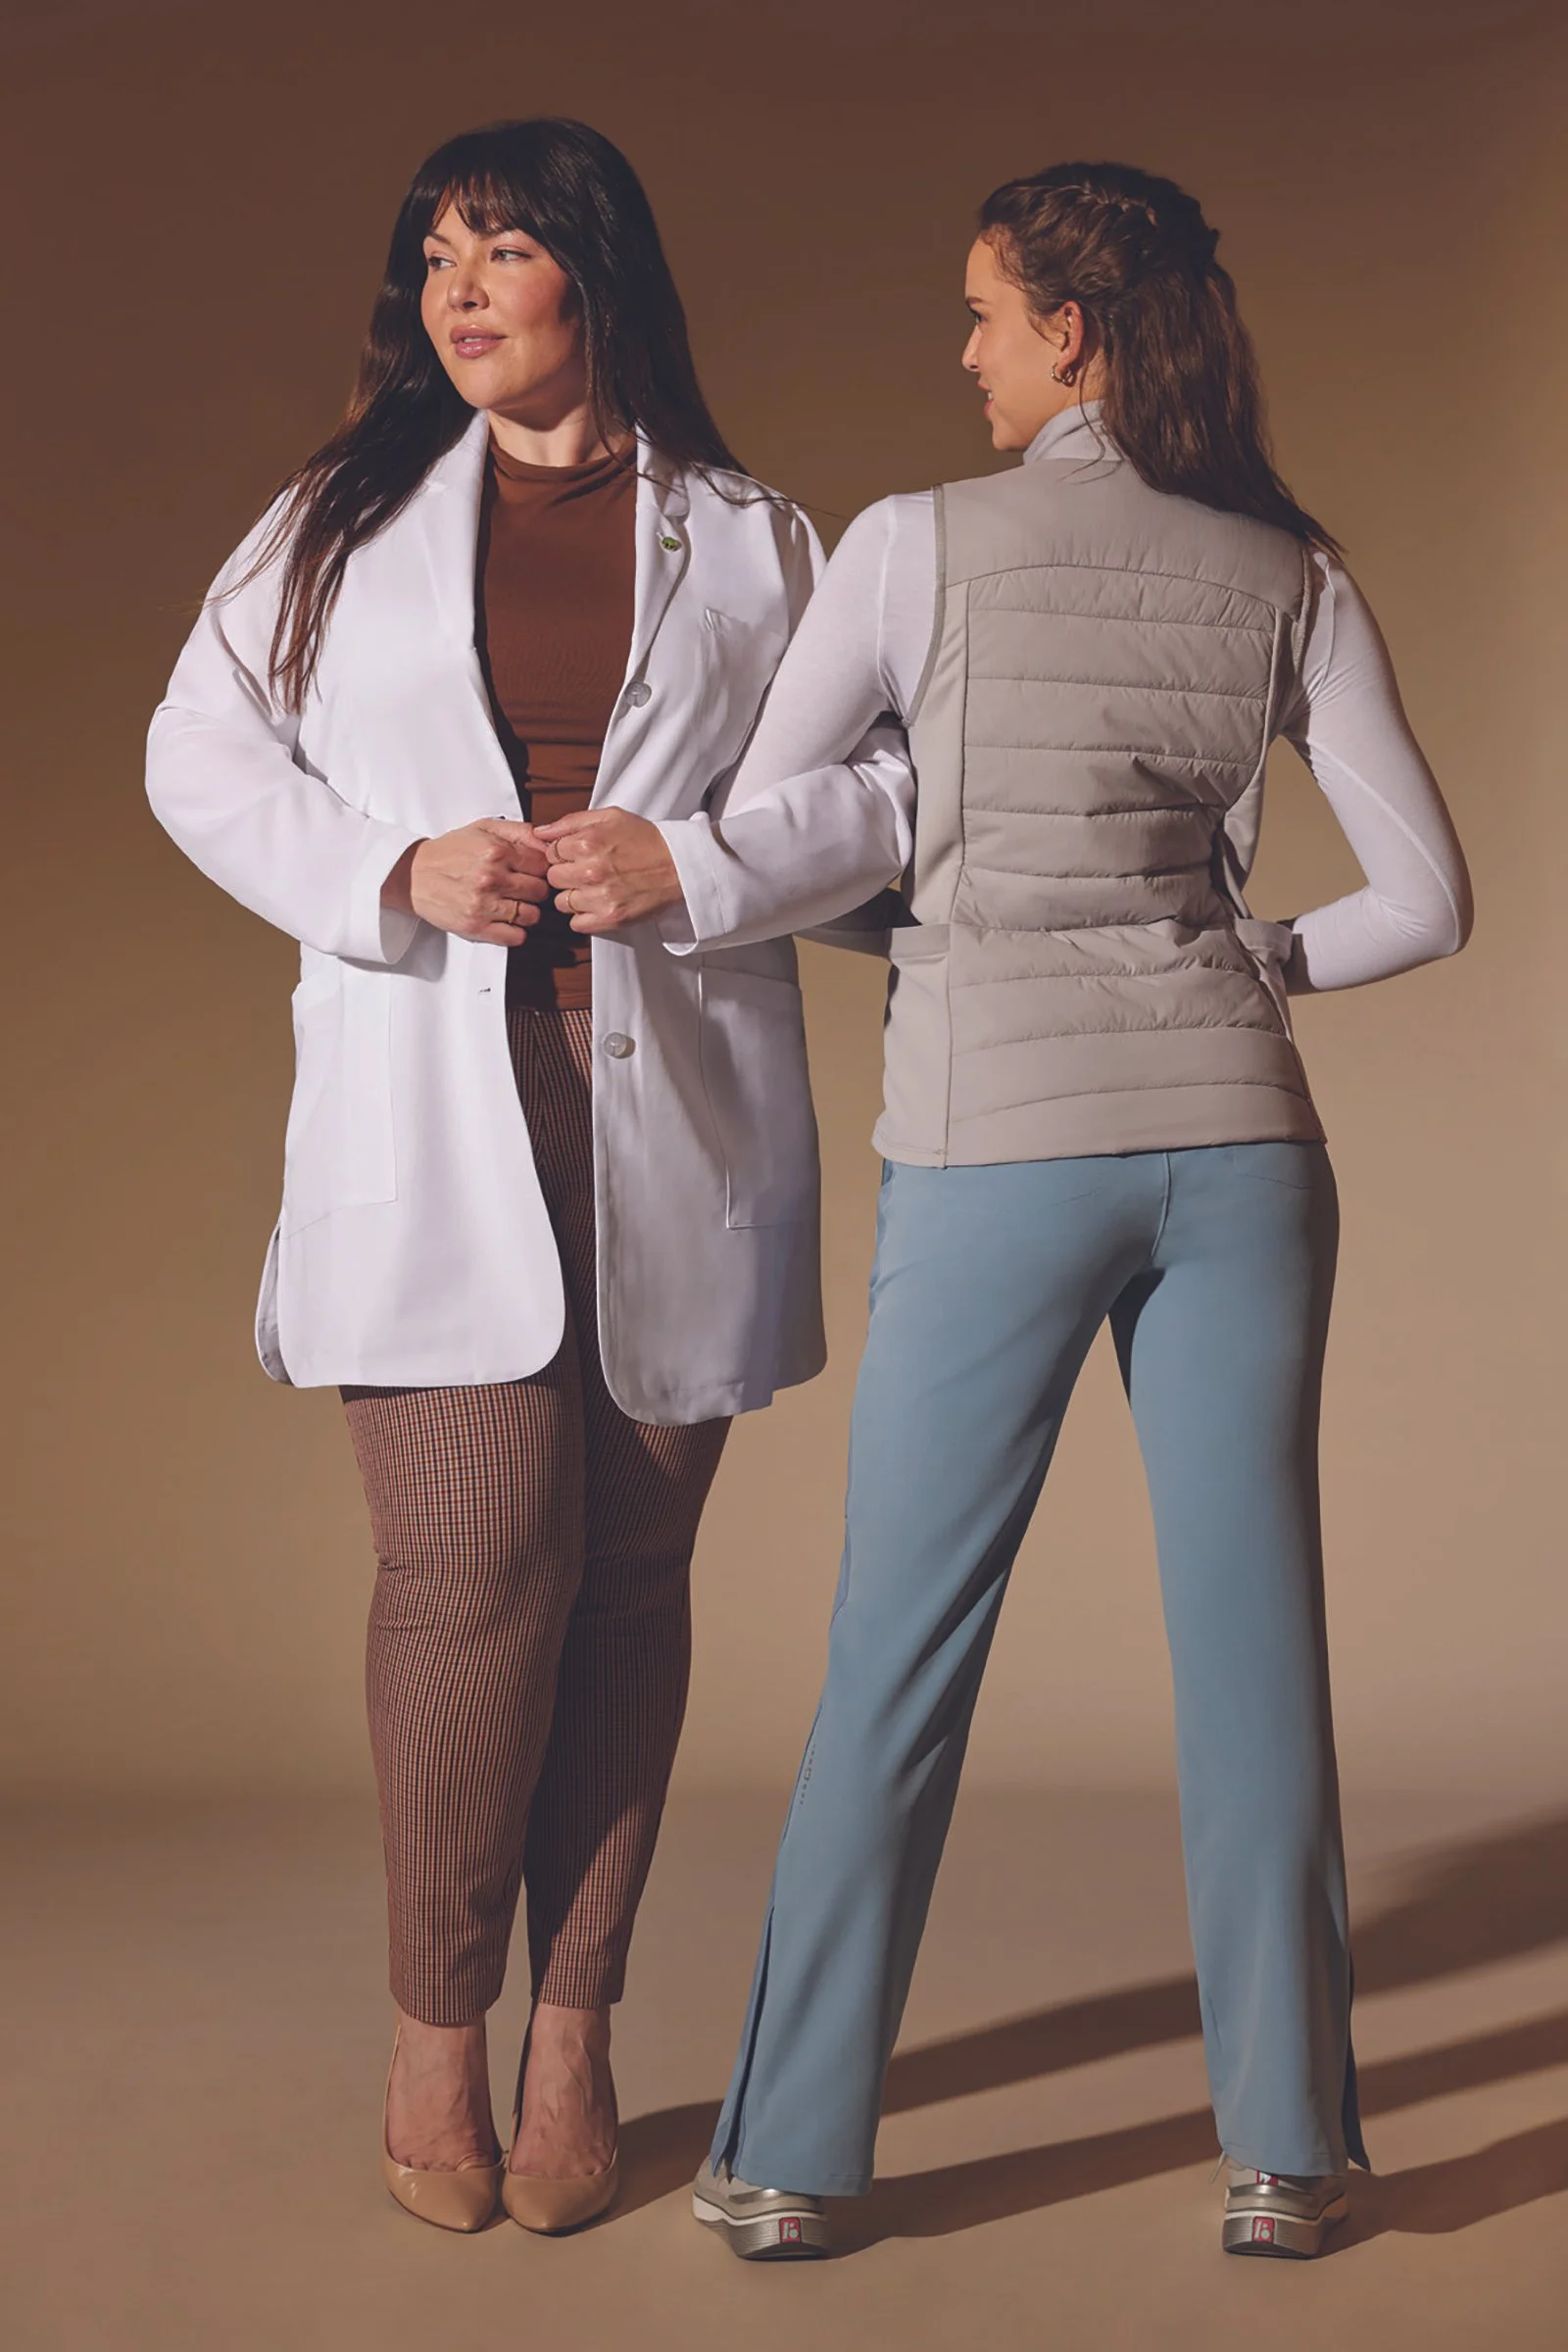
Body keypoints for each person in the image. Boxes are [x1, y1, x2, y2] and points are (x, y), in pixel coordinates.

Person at [540, 159, 1472, 2262]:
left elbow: (754, 844)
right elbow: (1425, 902)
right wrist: (1248, 968)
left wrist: (931, 916)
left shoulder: (907, 547)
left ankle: (785, 2164)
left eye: (978, 314)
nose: (956, 351)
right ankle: (1295, 2153)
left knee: (897, 1656)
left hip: (992, 1141)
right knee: (1255, 1649)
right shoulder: (1284, 565)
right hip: (1239, 1147)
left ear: (1066, 332)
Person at [146, 116, 884, 2237]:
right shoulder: (333, 519)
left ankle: (576, 2030)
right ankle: (433, 2027)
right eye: (436, 255)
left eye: (506, 248)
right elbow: (198, 753)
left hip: (670, 1100)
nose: (461, 288)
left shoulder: (755, 538)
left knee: (631, 1582)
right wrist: (391, 868)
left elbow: (884, 784)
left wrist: (704, 862)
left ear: (599, 275)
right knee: (470, 1577)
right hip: (428, 1094)